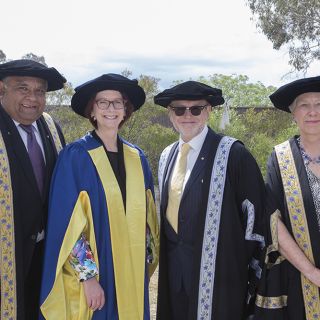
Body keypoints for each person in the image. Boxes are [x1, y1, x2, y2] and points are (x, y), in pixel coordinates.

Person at [39, 73, 159, 319]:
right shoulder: (76, 157)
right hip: (99, 271)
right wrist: (88, 277)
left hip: (132, 273)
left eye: (118, 102)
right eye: (102, 102)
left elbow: (148, 222)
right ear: (92, 111)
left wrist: (144, 265)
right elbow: (67, 225)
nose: (111, 109)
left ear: (126, 110)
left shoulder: (139, 158)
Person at [154, 80, 265, 320]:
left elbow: (257, 223)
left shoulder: (233, 155)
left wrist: (246, 277)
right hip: (175, 278)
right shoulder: (166, 156)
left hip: (219, 280)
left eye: (196, 109)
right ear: (170, 114)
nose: (188, 115)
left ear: (208, 111)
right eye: (179, 109)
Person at [0, 59, 66, 320]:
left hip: (46, 252)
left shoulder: (50, 125)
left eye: (40, 91)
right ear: (2, 89)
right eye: (23, 88)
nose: (32, 98)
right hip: (7, 253)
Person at [255, 76, 320, 320]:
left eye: (319, 104)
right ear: (293, 114)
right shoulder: (280, 158)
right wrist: (311, 272)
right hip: (297, 277)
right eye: (304, 105)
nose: (313, 112)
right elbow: (274, 221)